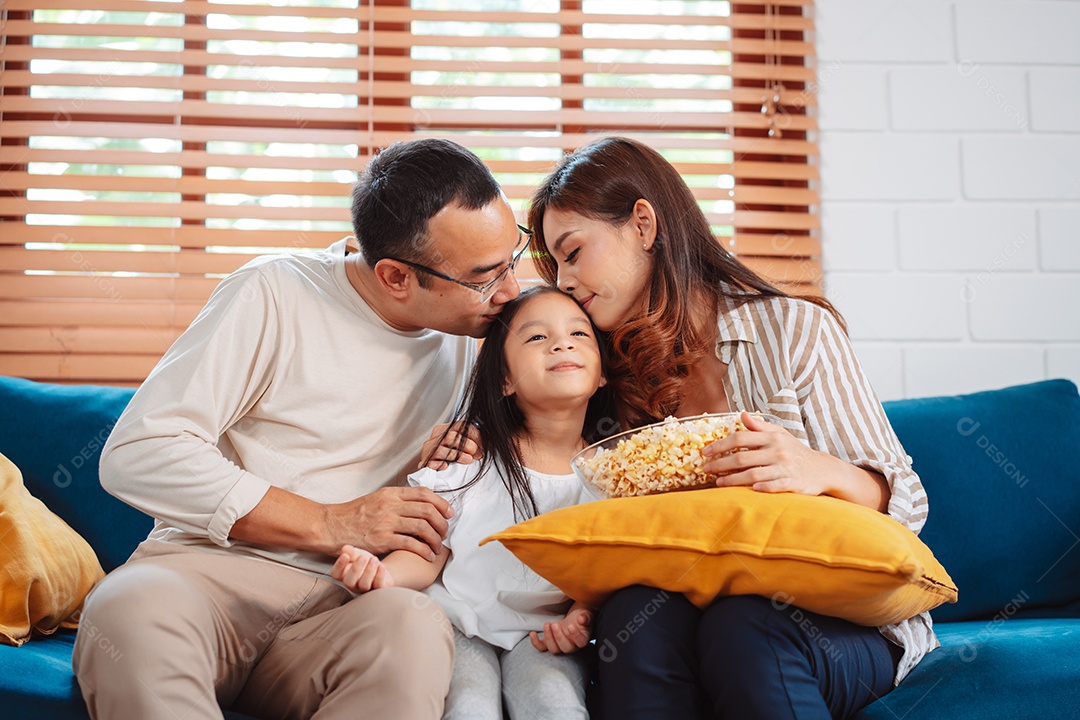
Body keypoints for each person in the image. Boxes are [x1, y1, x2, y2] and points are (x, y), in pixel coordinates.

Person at [72, 138, 530, 720]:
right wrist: (330, 522)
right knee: (128, 612)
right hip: (208, 578)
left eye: (512, 257)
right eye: (484, 277)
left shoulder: (487, 337)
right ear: (395, 276)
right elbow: (140, 451)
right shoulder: (272, 293)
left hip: (349, 603)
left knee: (414, 628)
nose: (511, 291)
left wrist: (488, 446)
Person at [523, 136, 934, 720]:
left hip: (837, 621)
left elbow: (910, 505)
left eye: (572, 252)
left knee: (746, 628)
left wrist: (814, 470)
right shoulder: (601, 373)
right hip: (686, 605)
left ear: (642, 223)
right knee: (634, 619)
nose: (564, 280)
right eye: (555, 265)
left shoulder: (795, 331)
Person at [332, 286, 613, 720]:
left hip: (540, 635)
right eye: (537, 338)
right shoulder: (467, 456)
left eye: (580, 334)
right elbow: (425, 552)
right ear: (504, 379)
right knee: (470, 708)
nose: (562, 343)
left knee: (555, 707)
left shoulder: (612, 477)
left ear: (601, 374)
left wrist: (581, 614)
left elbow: (606, 568)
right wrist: (380, 576)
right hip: (456, 624)